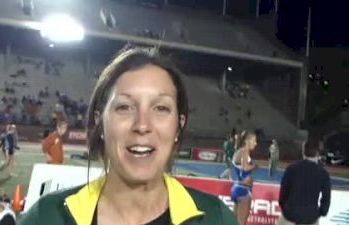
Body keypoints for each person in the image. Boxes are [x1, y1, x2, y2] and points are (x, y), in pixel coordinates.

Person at [19, 48, 239, 225]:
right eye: (124, 107)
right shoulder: (46, 217)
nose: (142, 125)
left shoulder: (216, 218)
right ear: (100, 122)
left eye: (161, 108)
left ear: (178, 127)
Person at [277, 138, 331, 225]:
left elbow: (283, 192)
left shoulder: (291, 168)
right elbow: (326, 198)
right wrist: (320, 212)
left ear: (303, 151)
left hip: (289, 215)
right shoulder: (323, 173)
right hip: (310, 217)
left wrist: (285, 208)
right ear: (317, 153)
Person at [230, 130, 258, 225]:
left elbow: (240, 167)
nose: (255, 143)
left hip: (237, 188)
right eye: (254, 141)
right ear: (246, 141)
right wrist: (255, 166)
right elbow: (245, 168)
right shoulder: (245, 151)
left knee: (233, 222)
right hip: (244, 190)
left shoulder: (239, 151)